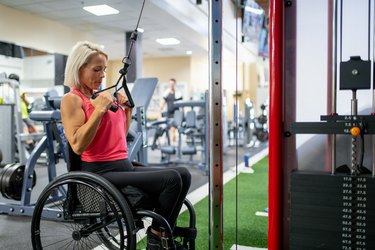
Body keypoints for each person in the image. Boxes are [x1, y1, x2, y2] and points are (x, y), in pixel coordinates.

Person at [60, 41, 191, 250]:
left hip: (122, 164)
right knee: (171, 179)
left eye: (103, 69)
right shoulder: (72, 100)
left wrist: (126, 111)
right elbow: (77, 145)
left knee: (183, 173)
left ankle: (162, 234)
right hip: (100, 171)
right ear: (79, 68)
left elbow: (119, 137)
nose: (102, 75)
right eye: (97, 69)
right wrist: (99, 111)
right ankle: (158, 239)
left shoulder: (98, 98)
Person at [159, 78, 182, 143]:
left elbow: (182, 104)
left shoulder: (178, 93)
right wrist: (160, 110)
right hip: (169, 114)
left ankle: (172, 144)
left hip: (176, 114)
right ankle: (171, 144)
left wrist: (183, 114)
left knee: (173, 130)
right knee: (168, 130)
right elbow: (162, 102)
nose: (171, 85)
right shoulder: (167, 93)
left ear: (174, 84)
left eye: (172, 84)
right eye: (170, 84)